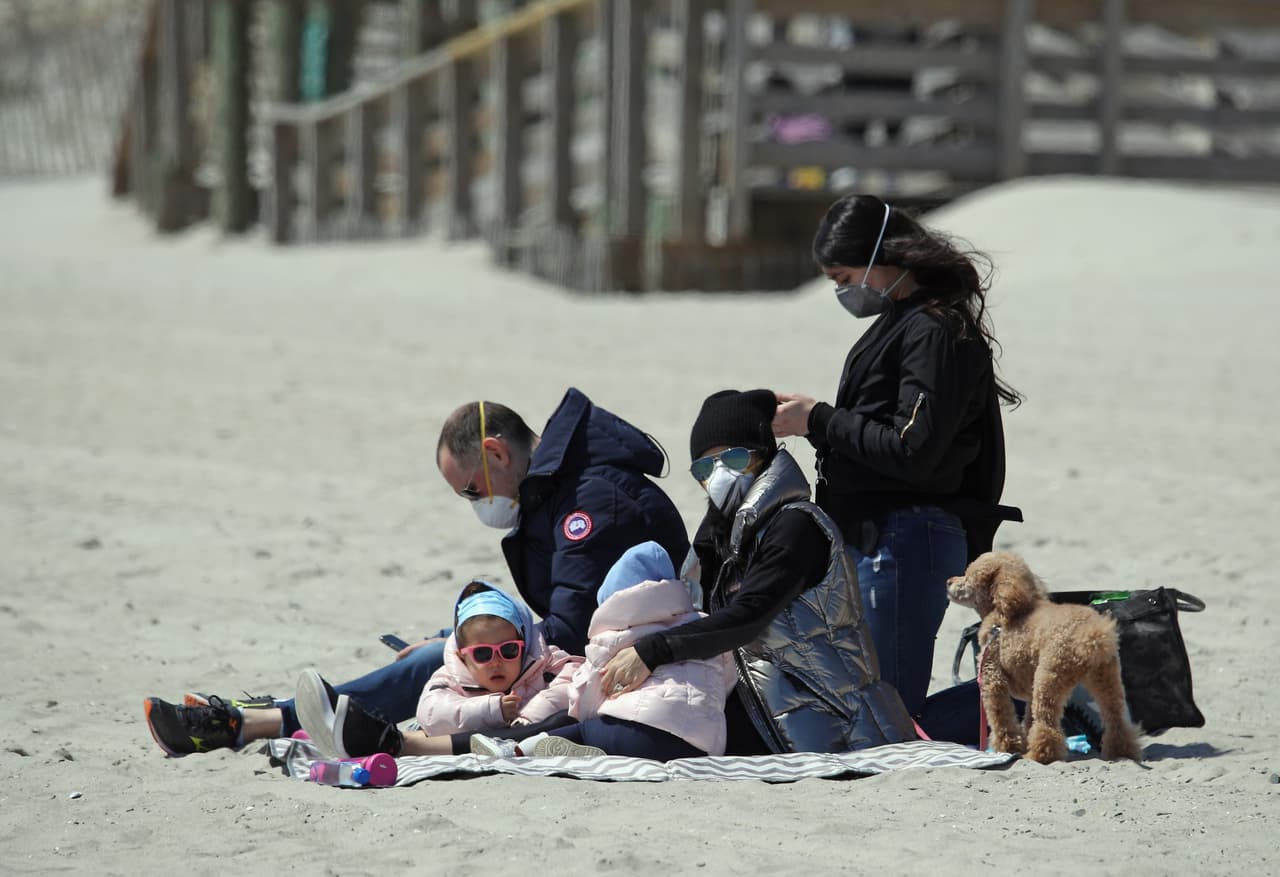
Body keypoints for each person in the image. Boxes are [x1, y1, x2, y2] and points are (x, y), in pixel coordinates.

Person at [143, 388, 690, 757]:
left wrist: (462, 646)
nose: (476, 504)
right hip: (595, 653)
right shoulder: (561, 490)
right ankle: (264, 718)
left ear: (497, 452)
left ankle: (253, 722)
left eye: (472, 490)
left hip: (629, 662)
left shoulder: (588, 499)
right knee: (445, 653)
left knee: (447, 660)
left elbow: (570, 626)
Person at [770, 194, 1022, 742]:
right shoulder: (901, 322)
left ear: (884, 256)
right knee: (873, 705)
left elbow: (914, 450)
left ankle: (1046, 700)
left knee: (891, 718)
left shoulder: (933, 330)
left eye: (845, 275)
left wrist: (819, 418)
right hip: (875, 537)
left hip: (907, 539)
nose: (842, 291)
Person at [600, 390, 916, 755]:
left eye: (734, 458)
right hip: (763, 696)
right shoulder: (724, 533)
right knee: (635, 709)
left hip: (821, 712)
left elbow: (747, 617)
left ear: (763, 456)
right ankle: (535, 740)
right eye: (705, 467)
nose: (719, 474)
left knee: (647, 731)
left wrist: (653, 651)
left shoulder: (795, 526)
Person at [295, 580, 583, 758]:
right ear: (463, 656)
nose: (497, 661)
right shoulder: (452, 675)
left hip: (521, 738)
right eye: (482, 654)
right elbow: (432, 714)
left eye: (509, 650)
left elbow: (571, 684)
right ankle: (338, 727)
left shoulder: (545, 664)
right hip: (468, 735)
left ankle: (373, 738)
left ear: (525, 643)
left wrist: (528, 716)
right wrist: (491, 709)